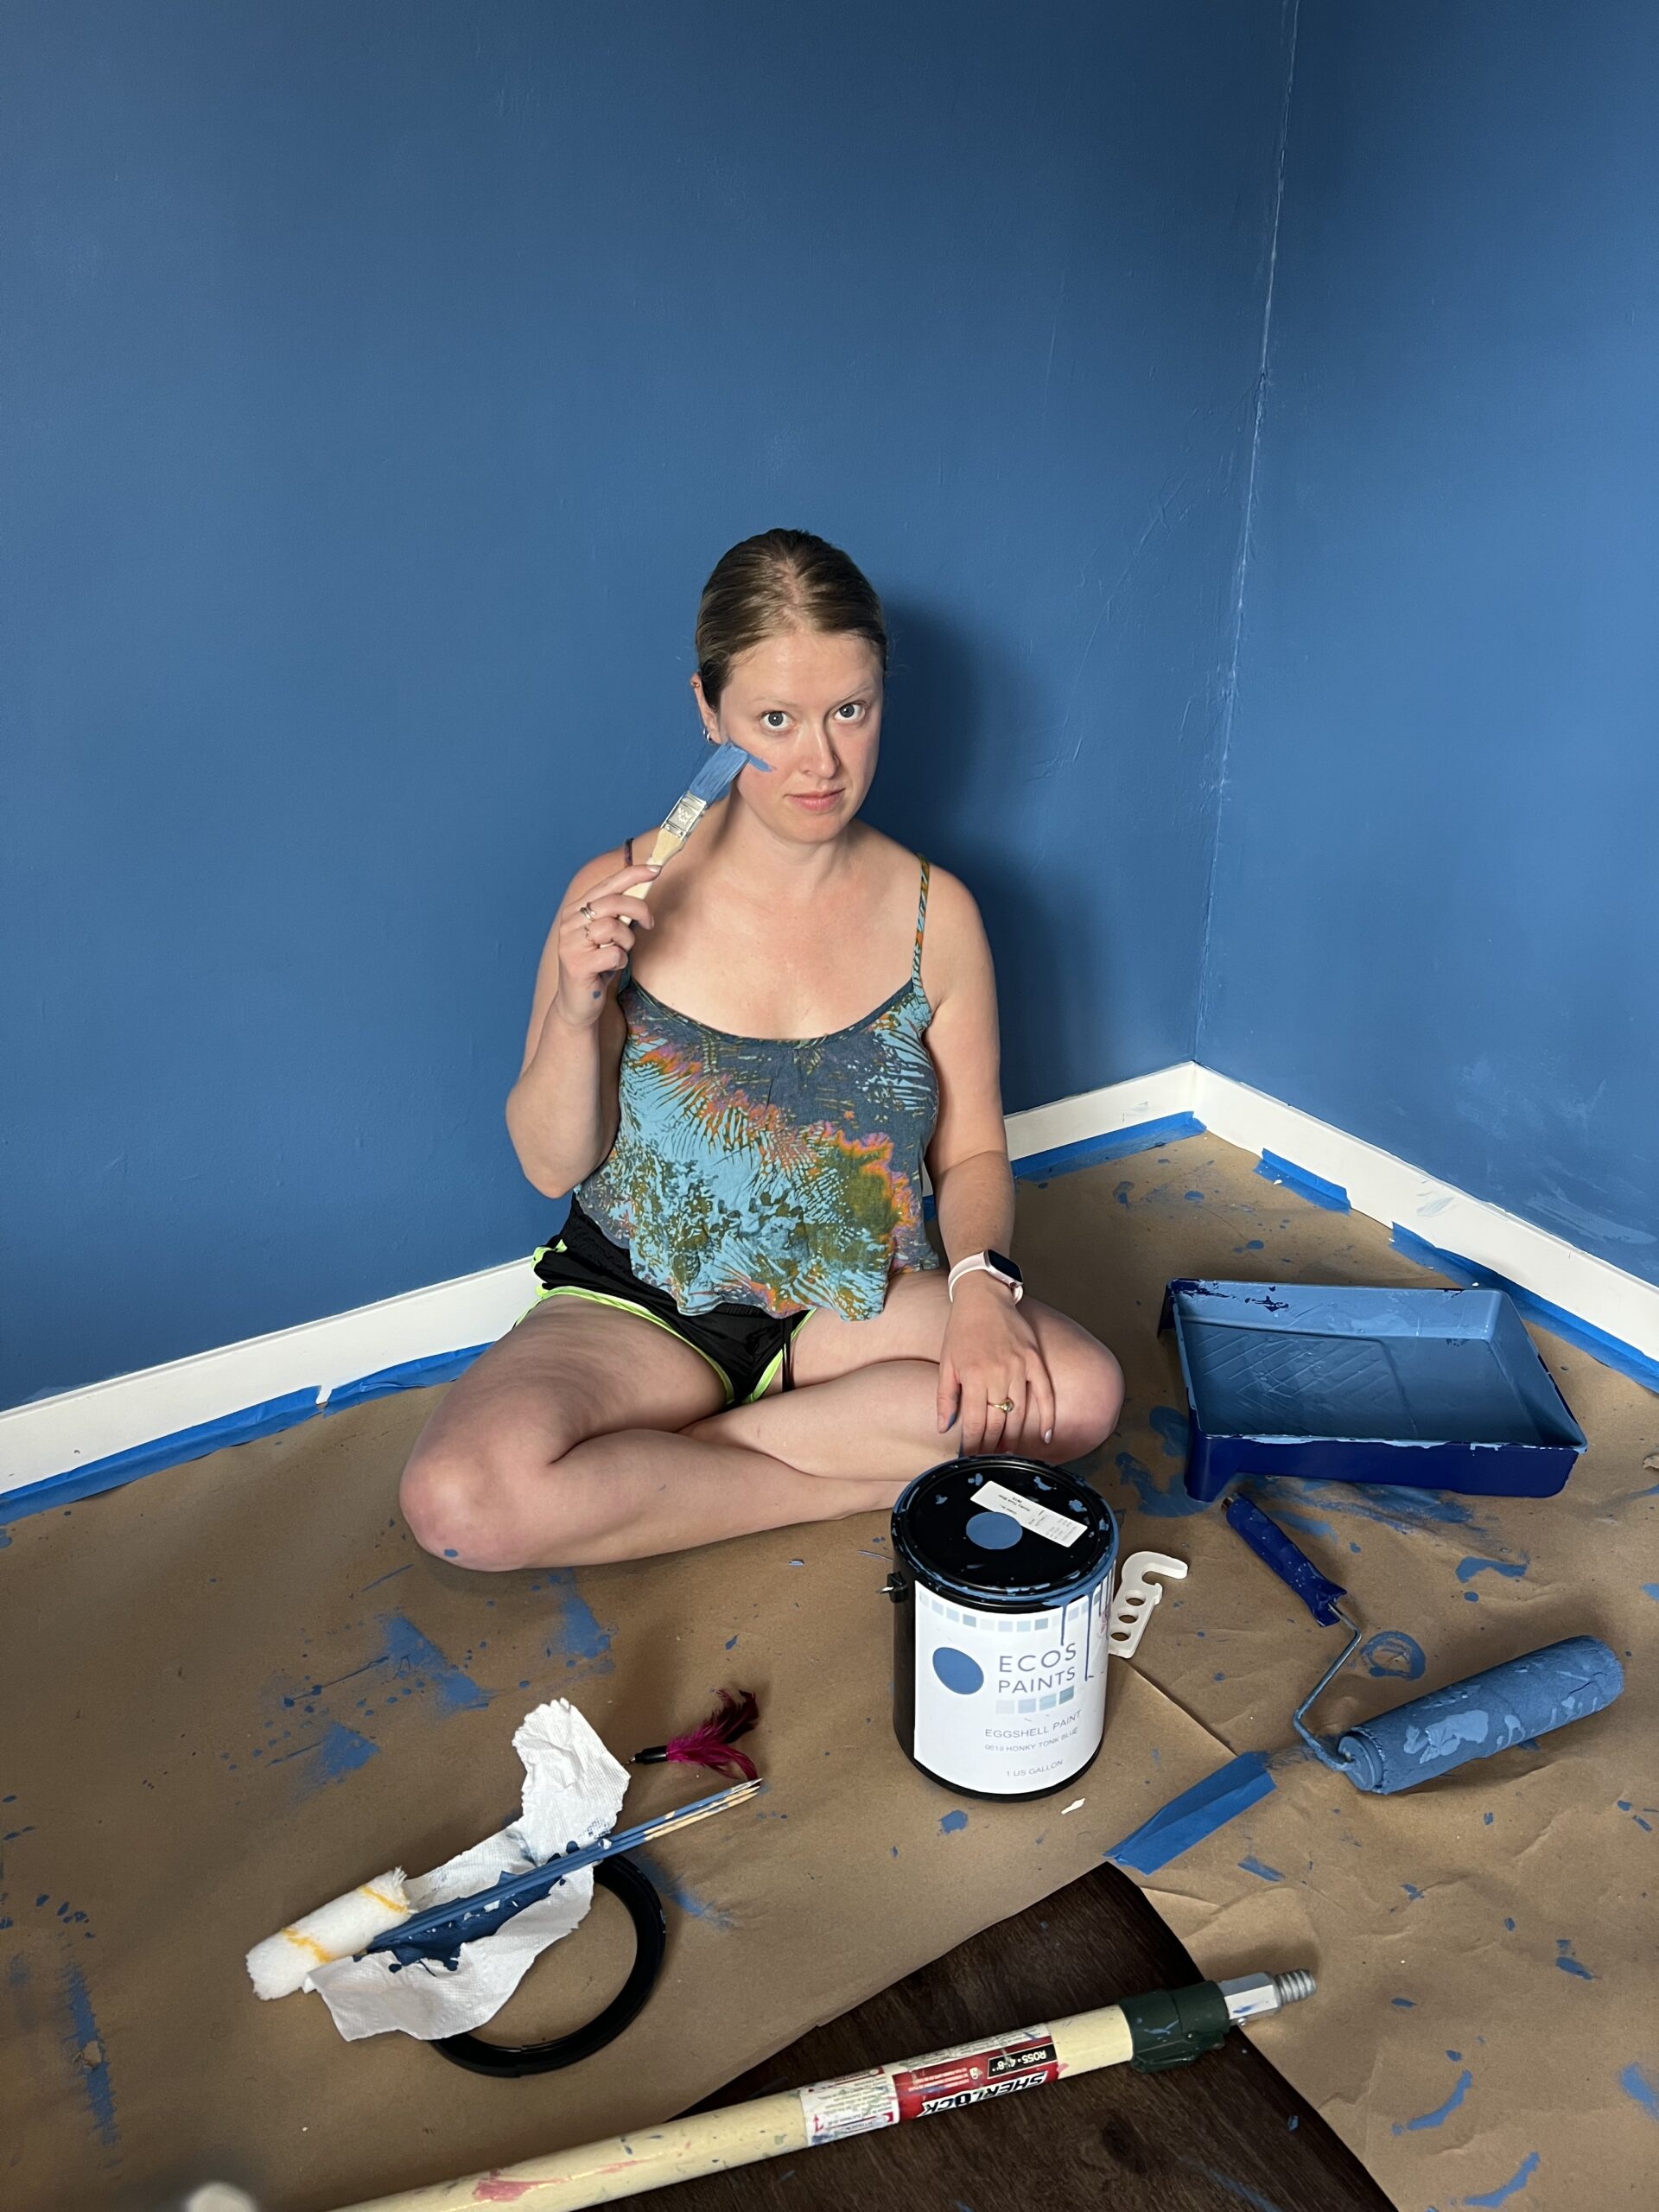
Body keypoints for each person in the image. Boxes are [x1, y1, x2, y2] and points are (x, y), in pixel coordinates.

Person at [401, 531, 1123, 1570]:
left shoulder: (939, 916)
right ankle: (847, 1472)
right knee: (459, 1501)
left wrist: (977, 1287)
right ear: (709, 709)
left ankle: (665, 1469)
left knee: (1081, 1393)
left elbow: (970, 1155)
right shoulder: (619, 891)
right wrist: (573, 1008)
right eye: (774, 720)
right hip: (646, 1304)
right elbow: (552, 1164)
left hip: (853, 1305)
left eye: (850, 711)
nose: (819, 761)